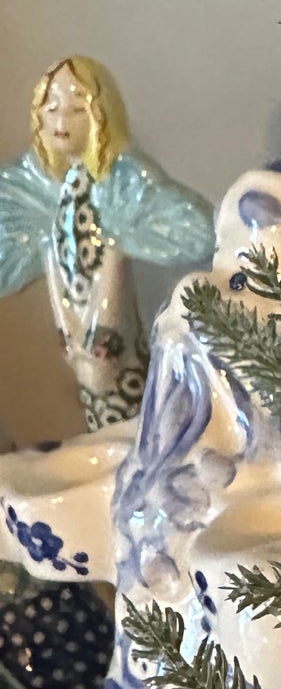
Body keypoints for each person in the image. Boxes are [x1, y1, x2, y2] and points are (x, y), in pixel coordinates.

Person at [0, 58, 214, 428]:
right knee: (96, 401)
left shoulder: (123, 178)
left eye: (76, 109)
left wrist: (100, 333)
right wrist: (73, 337)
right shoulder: (44, 188)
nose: (61, 122)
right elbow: (51, 253)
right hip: (77, 331)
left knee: (123, 408)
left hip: (113, 337)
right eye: (51, 109)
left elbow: (196, 230)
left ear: (101, 115)